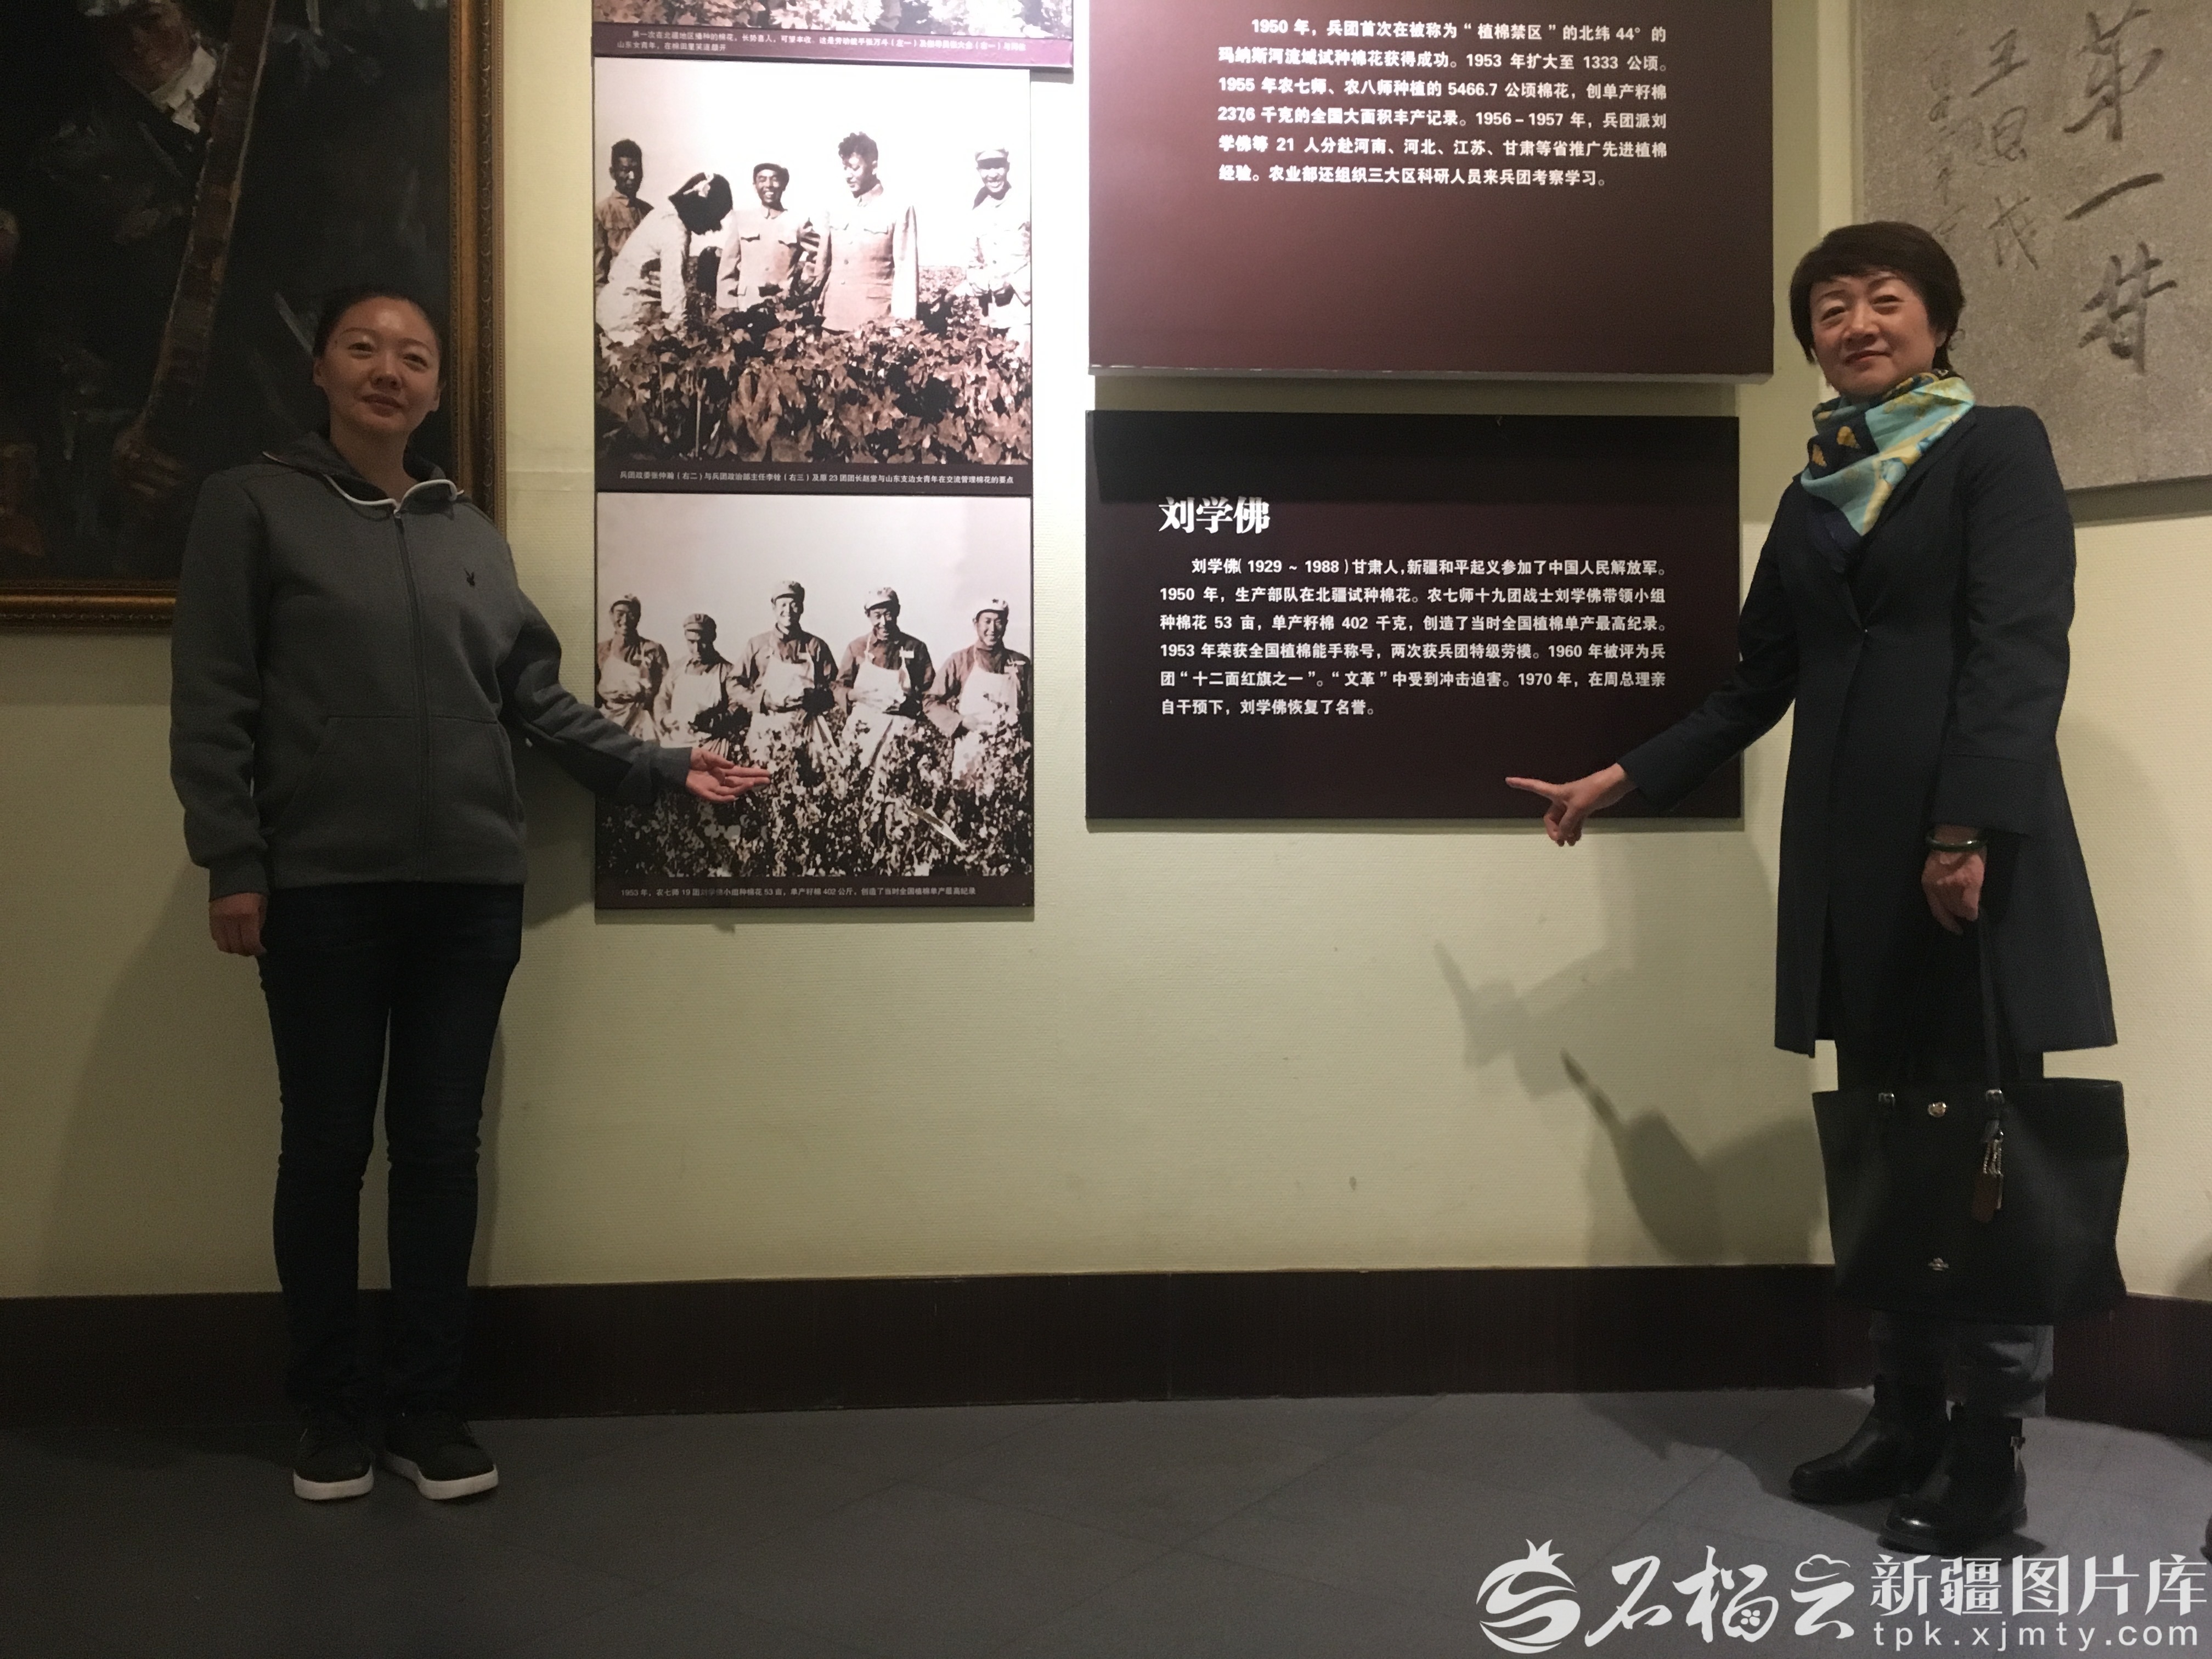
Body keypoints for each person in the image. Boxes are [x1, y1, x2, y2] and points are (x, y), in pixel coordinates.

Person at [1506, 223, 2114, 1558]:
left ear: (1938, 320)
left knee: (1983, 1155)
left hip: (1969, 858)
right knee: (1889, 1147)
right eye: (1831, 310)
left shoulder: (1995, 448)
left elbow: (2020, 648)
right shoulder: (1813, 495)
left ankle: (1990, 1454)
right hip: (1849, 868)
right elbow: (1755, 685)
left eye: (1884, 300)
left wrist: (1964, 828)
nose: (1857, 325)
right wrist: (1623, 775)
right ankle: (1903, 1414)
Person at [168, 285, 768, 1504]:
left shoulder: (469, 531)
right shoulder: (250, 505)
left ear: (438, 387)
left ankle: (426, 1409)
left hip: (468, 891)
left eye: (414, 356)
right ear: (321, 370)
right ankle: (330, 1410)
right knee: (326, 1149)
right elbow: (213, 695)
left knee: (440, 1150)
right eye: (362, 348)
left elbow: (532, 698)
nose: (388, 370)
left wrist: (660, 764)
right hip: (320, 889)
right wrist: (234, 860)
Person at [594, 171, 734, 346]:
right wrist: (682, 337)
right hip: (626, 319)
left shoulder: (665, 213)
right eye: (710, 219)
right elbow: (673, 293)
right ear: (700, 207)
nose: (708, 229)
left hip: (616, 309)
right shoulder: (675, 232)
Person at [732, 579, 839, 782]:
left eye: (794, 604)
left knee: (808, 782)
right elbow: (734, 683)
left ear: (802, 608)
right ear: (774, 608)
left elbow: (834, 686)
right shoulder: (758, 645)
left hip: (806, 726)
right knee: (765, 783)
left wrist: (813, 701)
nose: (788, 610)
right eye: (782, 604)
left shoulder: (815, 646)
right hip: (767, 723)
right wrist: (761, 701)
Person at [810, 133, 916, 334]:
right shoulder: (836, 208)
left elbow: (906, 272)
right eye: (845, 168)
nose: (848, 175)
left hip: (874, 324)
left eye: (855, 168)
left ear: (874, 166)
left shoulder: (898, 208)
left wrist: (901, 325)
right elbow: (823, 264)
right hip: (831, 320)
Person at [928, 596, 1031, 792]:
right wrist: (960, 722)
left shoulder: (1020, 663)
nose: (993, 629)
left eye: (999, 622)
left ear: (1006, 624)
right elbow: (931, 701)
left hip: (1010, 753)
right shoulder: (960, 660)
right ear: (976, 623)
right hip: (971, 752)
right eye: (987, 621)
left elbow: (1033, 708)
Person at [834, 586, 935, 783]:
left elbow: (930, 693)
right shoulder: (857, 647)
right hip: (863, 730)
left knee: (896, 786)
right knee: (856, 783)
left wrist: (911, 707)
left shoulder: (916, 648)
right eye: (877, 615)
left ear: (898, 612)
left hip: (901, 733)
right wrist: (855, 695)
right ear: (868, 615)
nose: (884, 622)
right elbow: (838, 687)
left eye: (889, 614)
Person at [715, 162, 811, 314]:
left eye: (775, 179)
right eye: (762, 180)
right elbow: (727, 269)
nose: (769, 185)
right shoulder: (741, 220)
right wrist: (729, 309)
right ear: (755, 186)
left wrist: (803, 283)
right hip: (746, 308)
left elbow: (821, 257)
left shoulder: (798, 222)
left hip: (784, 310)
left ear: (784, 185)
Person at [966, 146, 1030, 349]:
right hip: (989, 318)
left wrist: (1013, 283)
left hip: (1023, 316)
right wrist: (976, 280)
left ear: (1008, 167)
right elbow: (972, 262)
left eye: (998, 166)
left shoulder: (1027, 204)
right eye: (986, 167)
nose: (992, 174)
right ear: (978, 171)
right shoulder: (977, 212)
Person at [659, 612, 748, 758]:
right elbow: (663, 697)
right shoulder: (677, 668)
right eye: (691, 642)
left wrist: (713, 721)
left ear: (713, 638)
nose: (697, 649)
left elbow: (738, 707)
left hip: (711, 747)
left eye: (703, 642)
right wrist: (665, 719)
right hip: (675, 745)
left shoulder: (727, 671)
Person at [595, 594, 669, 742]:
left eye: (631, 615)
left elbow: (666, 690)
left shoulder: (652, 649)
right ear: (611, 615)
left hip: (643, 724)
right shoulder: (600, 650)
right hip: (608, 722)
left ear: (638, 617)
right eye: (620, 614)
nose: (625, 620)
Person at [593, 139, 650, 289]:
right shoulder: (601, 212)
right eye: (626, 170)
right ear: (613, 173)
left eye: (637, 170)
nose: (633, 176)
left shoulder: (650, 213)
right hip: (616, 295)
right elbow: (598, 275)